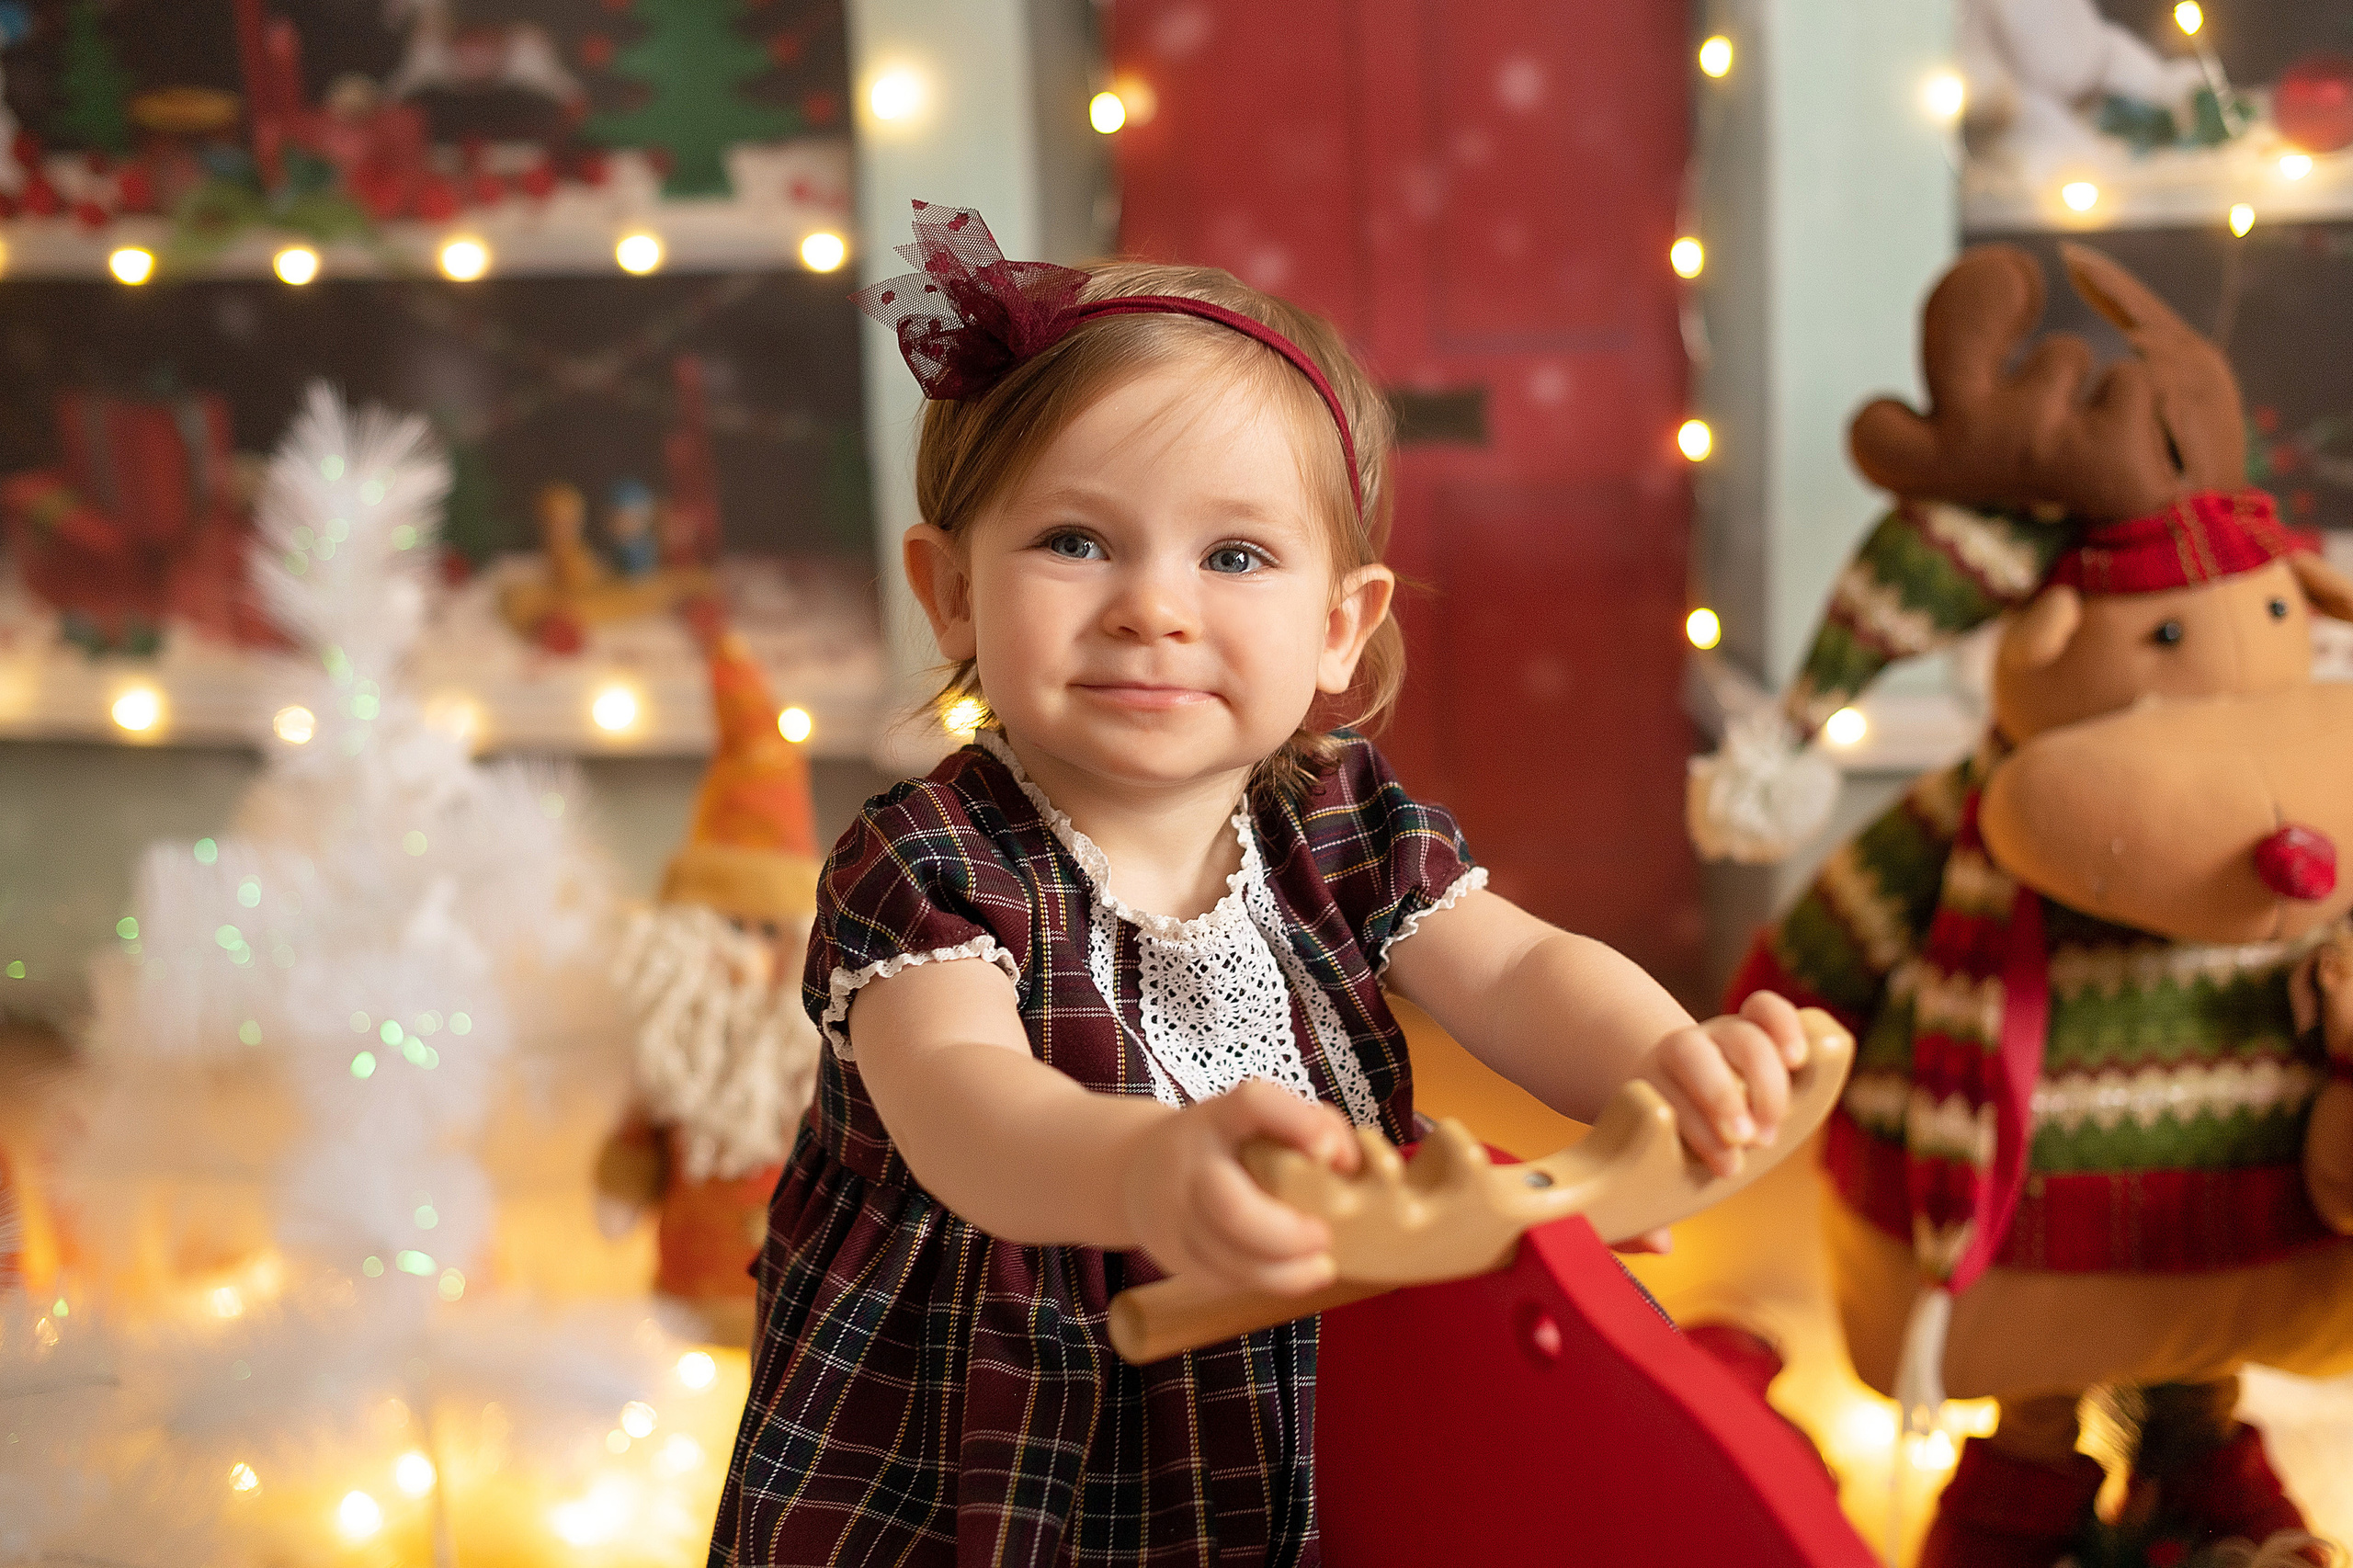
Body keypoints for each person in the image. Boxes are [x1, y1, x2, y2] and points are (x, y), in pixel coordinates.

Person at [709, 202, 1810, 1567]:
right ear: (950, 591)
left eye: (1233, 556)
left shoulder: (1337, 818)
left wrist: (1665, 1059)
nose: (1153, 608)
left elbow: (1518, 966)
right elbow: (968, 1114)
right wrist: (1145, 1165)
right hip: (1023, 1419)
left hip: (1333, 1358)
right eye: (1075, 541)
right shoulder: (930, 860)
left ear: (1340, 625)